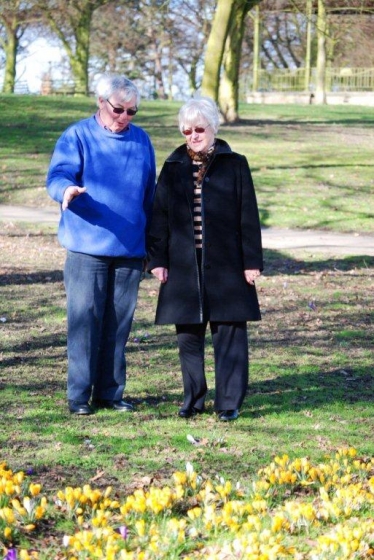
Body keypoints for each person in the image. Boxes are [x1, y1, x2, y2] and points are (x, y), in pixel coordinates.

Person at [147, 97, 263, 422]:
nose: (194, 135)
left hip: (228, 264)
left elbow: (248, 216)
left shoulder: (235, 164)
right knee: (188, 336)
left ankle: (228, 402)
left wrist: (251, 261)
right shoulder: (172, 168)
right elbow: (159, 217)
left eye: (200, 129)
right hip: (184, 264)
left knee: (229, 332)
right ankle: (193, 399)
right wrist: (157, 259)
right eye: (187, 130)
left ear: (213, 128)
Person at [46, 73, 156, 415]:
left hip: (129, 251)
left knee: (118, 324)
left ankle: (110, 393)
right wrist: (67, 191)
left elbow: (150, 195)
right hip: (86, 248)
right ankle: (79, 396)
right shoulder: (77, 135)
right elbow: (58, 176)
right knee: (84, 321)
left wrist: (153, 244)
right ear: (101, 102)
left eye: (132, 112)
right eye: (119, 109)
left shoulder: (141, 142)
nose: (124, 117)